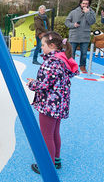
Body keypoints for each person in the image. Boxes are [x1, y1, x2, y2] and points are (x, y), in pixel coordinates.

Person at [26, 31, 79, 174]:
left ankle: (47, 165)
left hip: (49, 105)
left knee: (46, 135)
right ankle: (56, 159)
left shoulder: (51, 62)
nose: (41, 47)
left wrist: (32, 83)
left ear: (52, 45)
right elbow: (53, 82)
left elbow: (44, 85)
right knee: (54, 132)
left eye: (43, 45)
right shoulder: (62, 59)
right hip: (59, 104)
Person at [65, 0, 96, 73]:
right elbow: (67, 22)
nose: (85, 5)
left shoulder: (91, 12)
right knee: (71, 52)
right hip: (74, 35)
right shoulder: (73, 12)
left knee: (84, 53)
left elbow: (92, 22)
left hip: (85, 35)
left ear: (89, 4)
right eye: (83, 3)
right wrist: (73, 24)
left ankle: (82, 66)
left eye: (86, 3)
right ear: (80, 3)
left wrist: (87, 13)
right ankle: (72, 66)